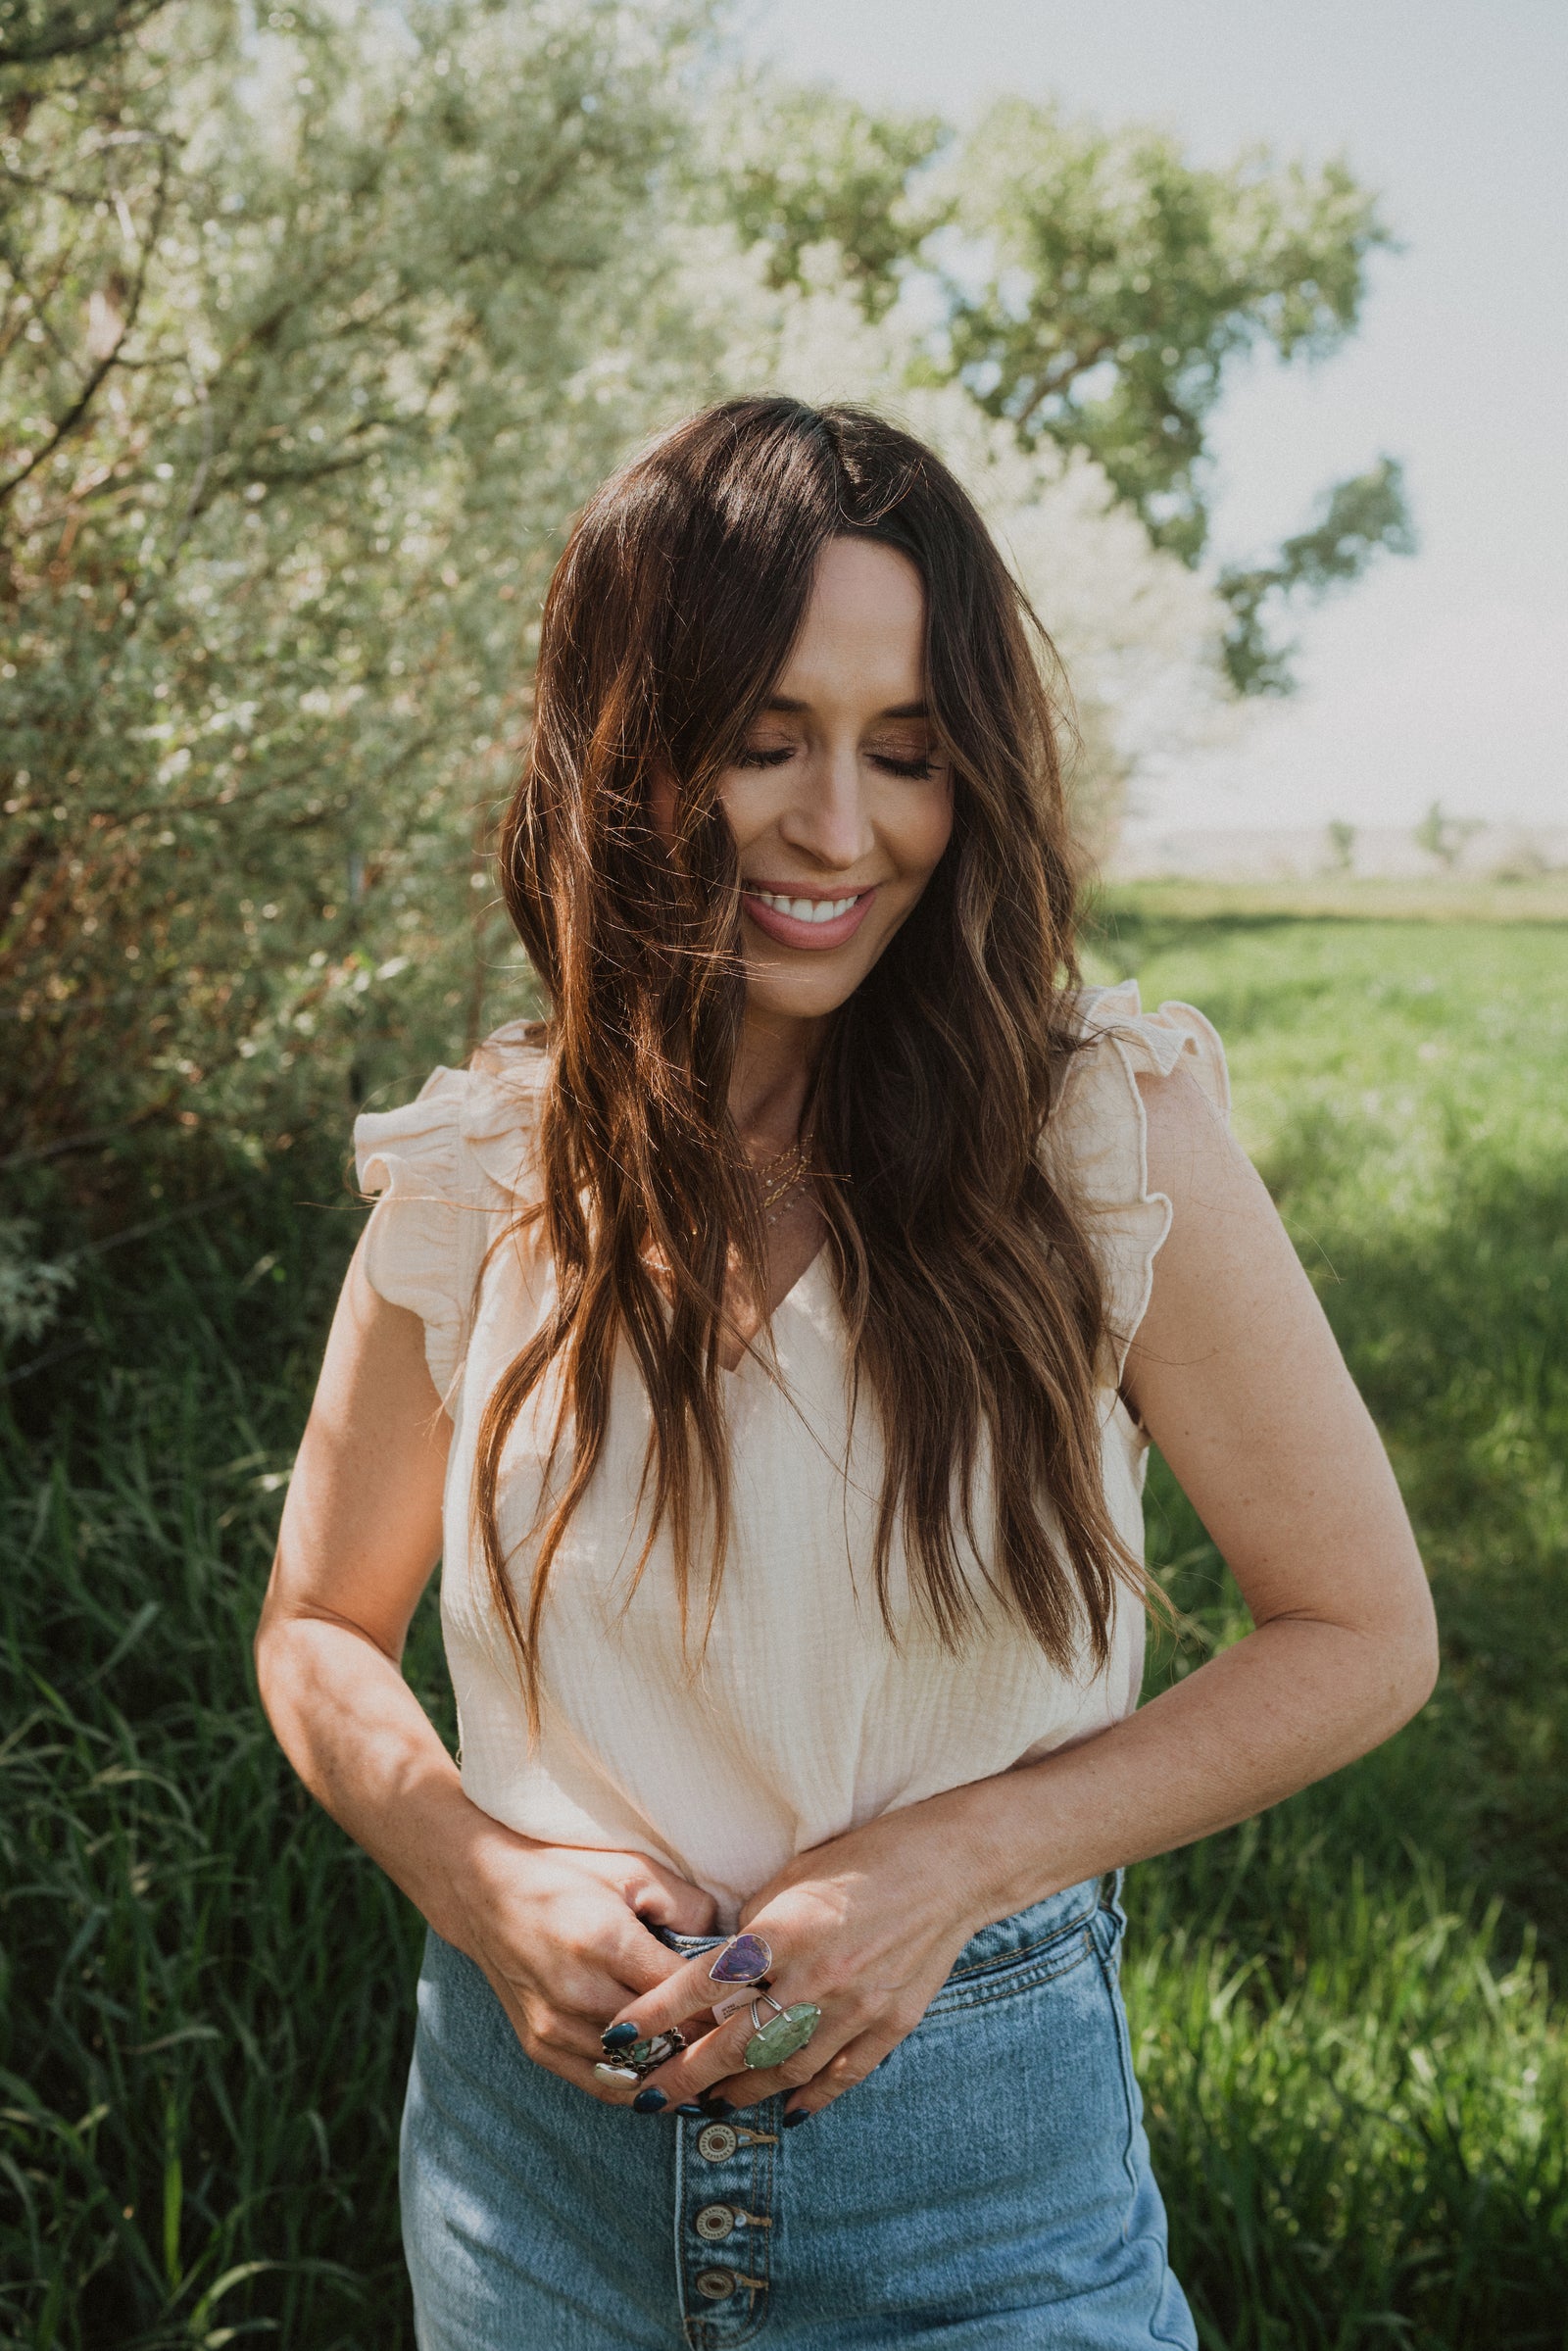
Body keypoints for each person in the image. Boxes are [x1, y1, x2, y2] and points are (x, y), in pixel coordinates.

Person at [256, 398, 1438, 2349]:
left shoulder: (1100, 1137)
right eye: (762, 739)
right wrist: (474, 1879)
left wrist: (959, 1860)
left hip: (980, 2196)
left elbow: (1359, 1633)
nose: (835, 827)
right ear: (629, 747)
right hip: (527, 2192)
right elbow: (316, 1625)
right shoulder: (482, 1168)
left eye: (905, 751)